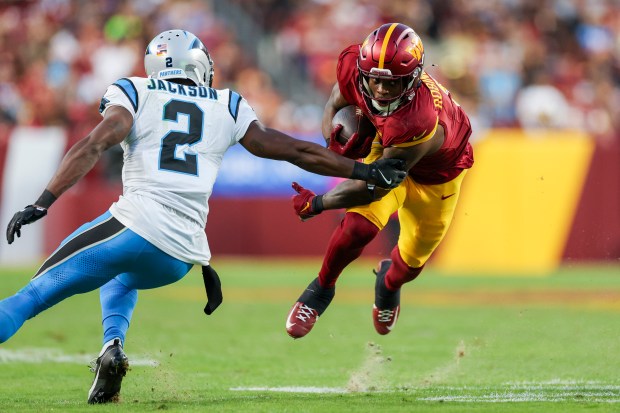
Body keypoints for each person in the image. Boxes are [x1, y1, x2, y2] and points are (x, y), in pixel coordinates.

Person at [0, 30, 406, 404]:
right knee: (121, 275)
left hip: (134, 226)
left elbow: (95, 143)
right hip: (181, 258)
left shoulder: (135, 90)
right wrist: (365, 171)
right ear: (198, 63)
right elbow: (289, 149)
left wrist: (43, 200)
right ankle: (112, 346)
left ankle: (105, 341)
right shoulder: (227, 103)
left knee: (30, 297)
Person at [285, 23, 474, 339]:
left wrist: (316, 203)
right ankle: (321, 289)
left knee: (411, 263)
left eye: (392, 84)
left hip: (437, 176)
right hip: (387, 146)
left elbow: (373, 186)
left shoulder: (419, 119)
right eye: (374, 80)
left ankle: (388, 285)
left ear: (412, 80)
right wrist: (334, 140)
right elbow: (334, 102)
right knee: (359, 227)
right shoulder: (352, 68)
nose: (381, 90)